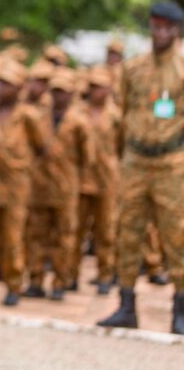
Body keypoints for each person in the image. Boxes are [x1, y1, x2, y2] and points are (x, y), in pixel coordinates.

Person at [98, 0, 184, 334]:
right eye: (155, 26)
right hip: (135, 160)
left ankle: (179, 308)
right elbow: (120, 118)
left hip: (171, 162)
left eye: (166, 27)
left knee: (176, 235)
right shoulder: (133, 69)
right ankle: (126, 304)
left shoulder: (181, 71)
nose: (159, 32)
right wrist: (123, 157)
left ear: (176, 30)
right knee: (127, 233)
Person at [0, 58, 44, 306]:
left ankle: (14, 284)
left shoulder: (28, 116)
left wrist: (21, 165)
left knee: (13, 236)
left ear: (19, 87)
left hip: (17, 183)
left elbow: (42, 147)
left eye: (7, 84)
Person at [24, 68, 93, 301]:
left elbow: (87, 157)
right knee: (36, 235)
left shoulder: (79, 121)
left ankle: (60, 281)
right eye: (55, 91)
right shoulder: (36, 117)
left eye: (63, 92)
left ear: (72, 93)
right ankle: (35, 279)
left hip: (66, 188)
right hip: (39, 186)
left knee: (65, 237)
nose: (58, 96)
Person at [75, 66, 120, 295]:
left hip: (106, 180)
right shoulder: (78, 112)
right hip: (81, 179)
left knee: (106, 231)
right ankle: (69, 275)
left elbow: (121, 146)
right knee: (75, 230)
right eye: (92, 87)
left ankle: (105, 274)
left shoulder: (116, 116)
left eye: (100, 87)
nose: (96, 91)